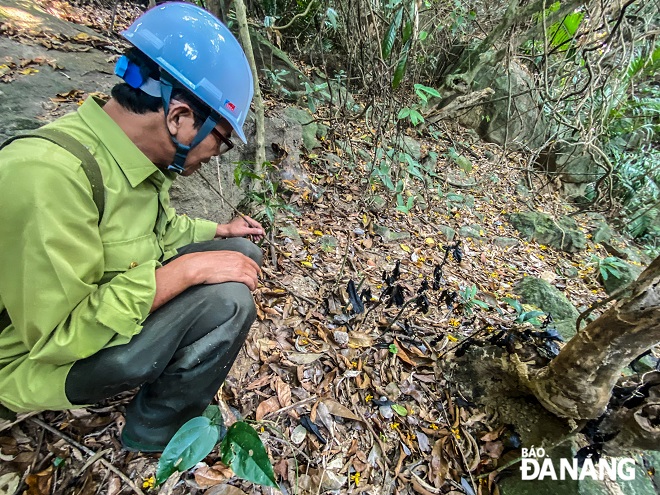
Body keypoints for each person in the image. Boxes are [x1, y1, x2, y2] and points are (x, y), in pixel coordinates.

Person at [0, 2, 264, 452]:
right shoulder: (47, 177)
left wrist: (218, 233)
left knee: (243, 251)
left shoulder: (135, 156)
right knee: (229, 301)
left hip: (105, 308)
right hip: (33, 359)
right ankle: (155, 434)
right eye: (218, 143)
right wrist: (187, 273)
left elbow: (153, 233)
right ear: (180, 118)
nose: (213, 157)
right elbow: (60, 336)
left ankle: (164, 400)